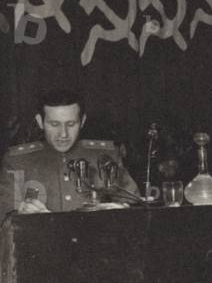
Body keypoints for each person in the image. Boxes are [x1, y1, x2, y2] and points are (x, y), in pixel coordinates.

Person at [1, 90, 139, 214]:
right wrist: (30, 220)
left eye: (71, 124)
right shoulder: (17, 161)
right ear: (40, 122)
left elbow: (137, 210)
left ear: (82, 121)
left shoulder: (107, 157)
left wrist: (119, 212)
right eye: (54, 124)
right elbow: (3, 221)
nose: (63, 134)